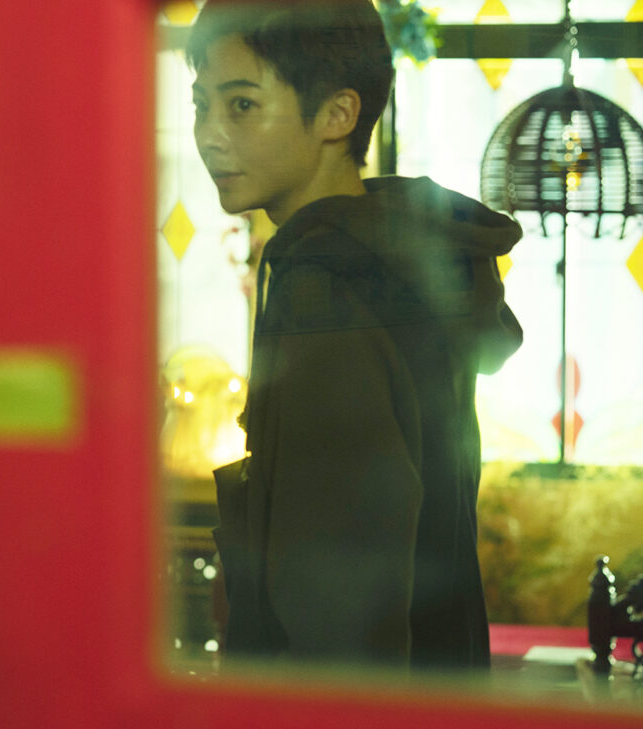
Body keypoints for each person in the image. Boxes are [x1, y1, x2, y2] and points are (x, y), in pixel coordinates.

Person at [187, 0, 523, 670]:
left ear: (338, 115)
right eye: (201, 105)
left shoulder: (328, 287)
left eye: (242, 105)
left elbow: (340, 610)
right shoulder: (397, 254)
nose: (210, 135)